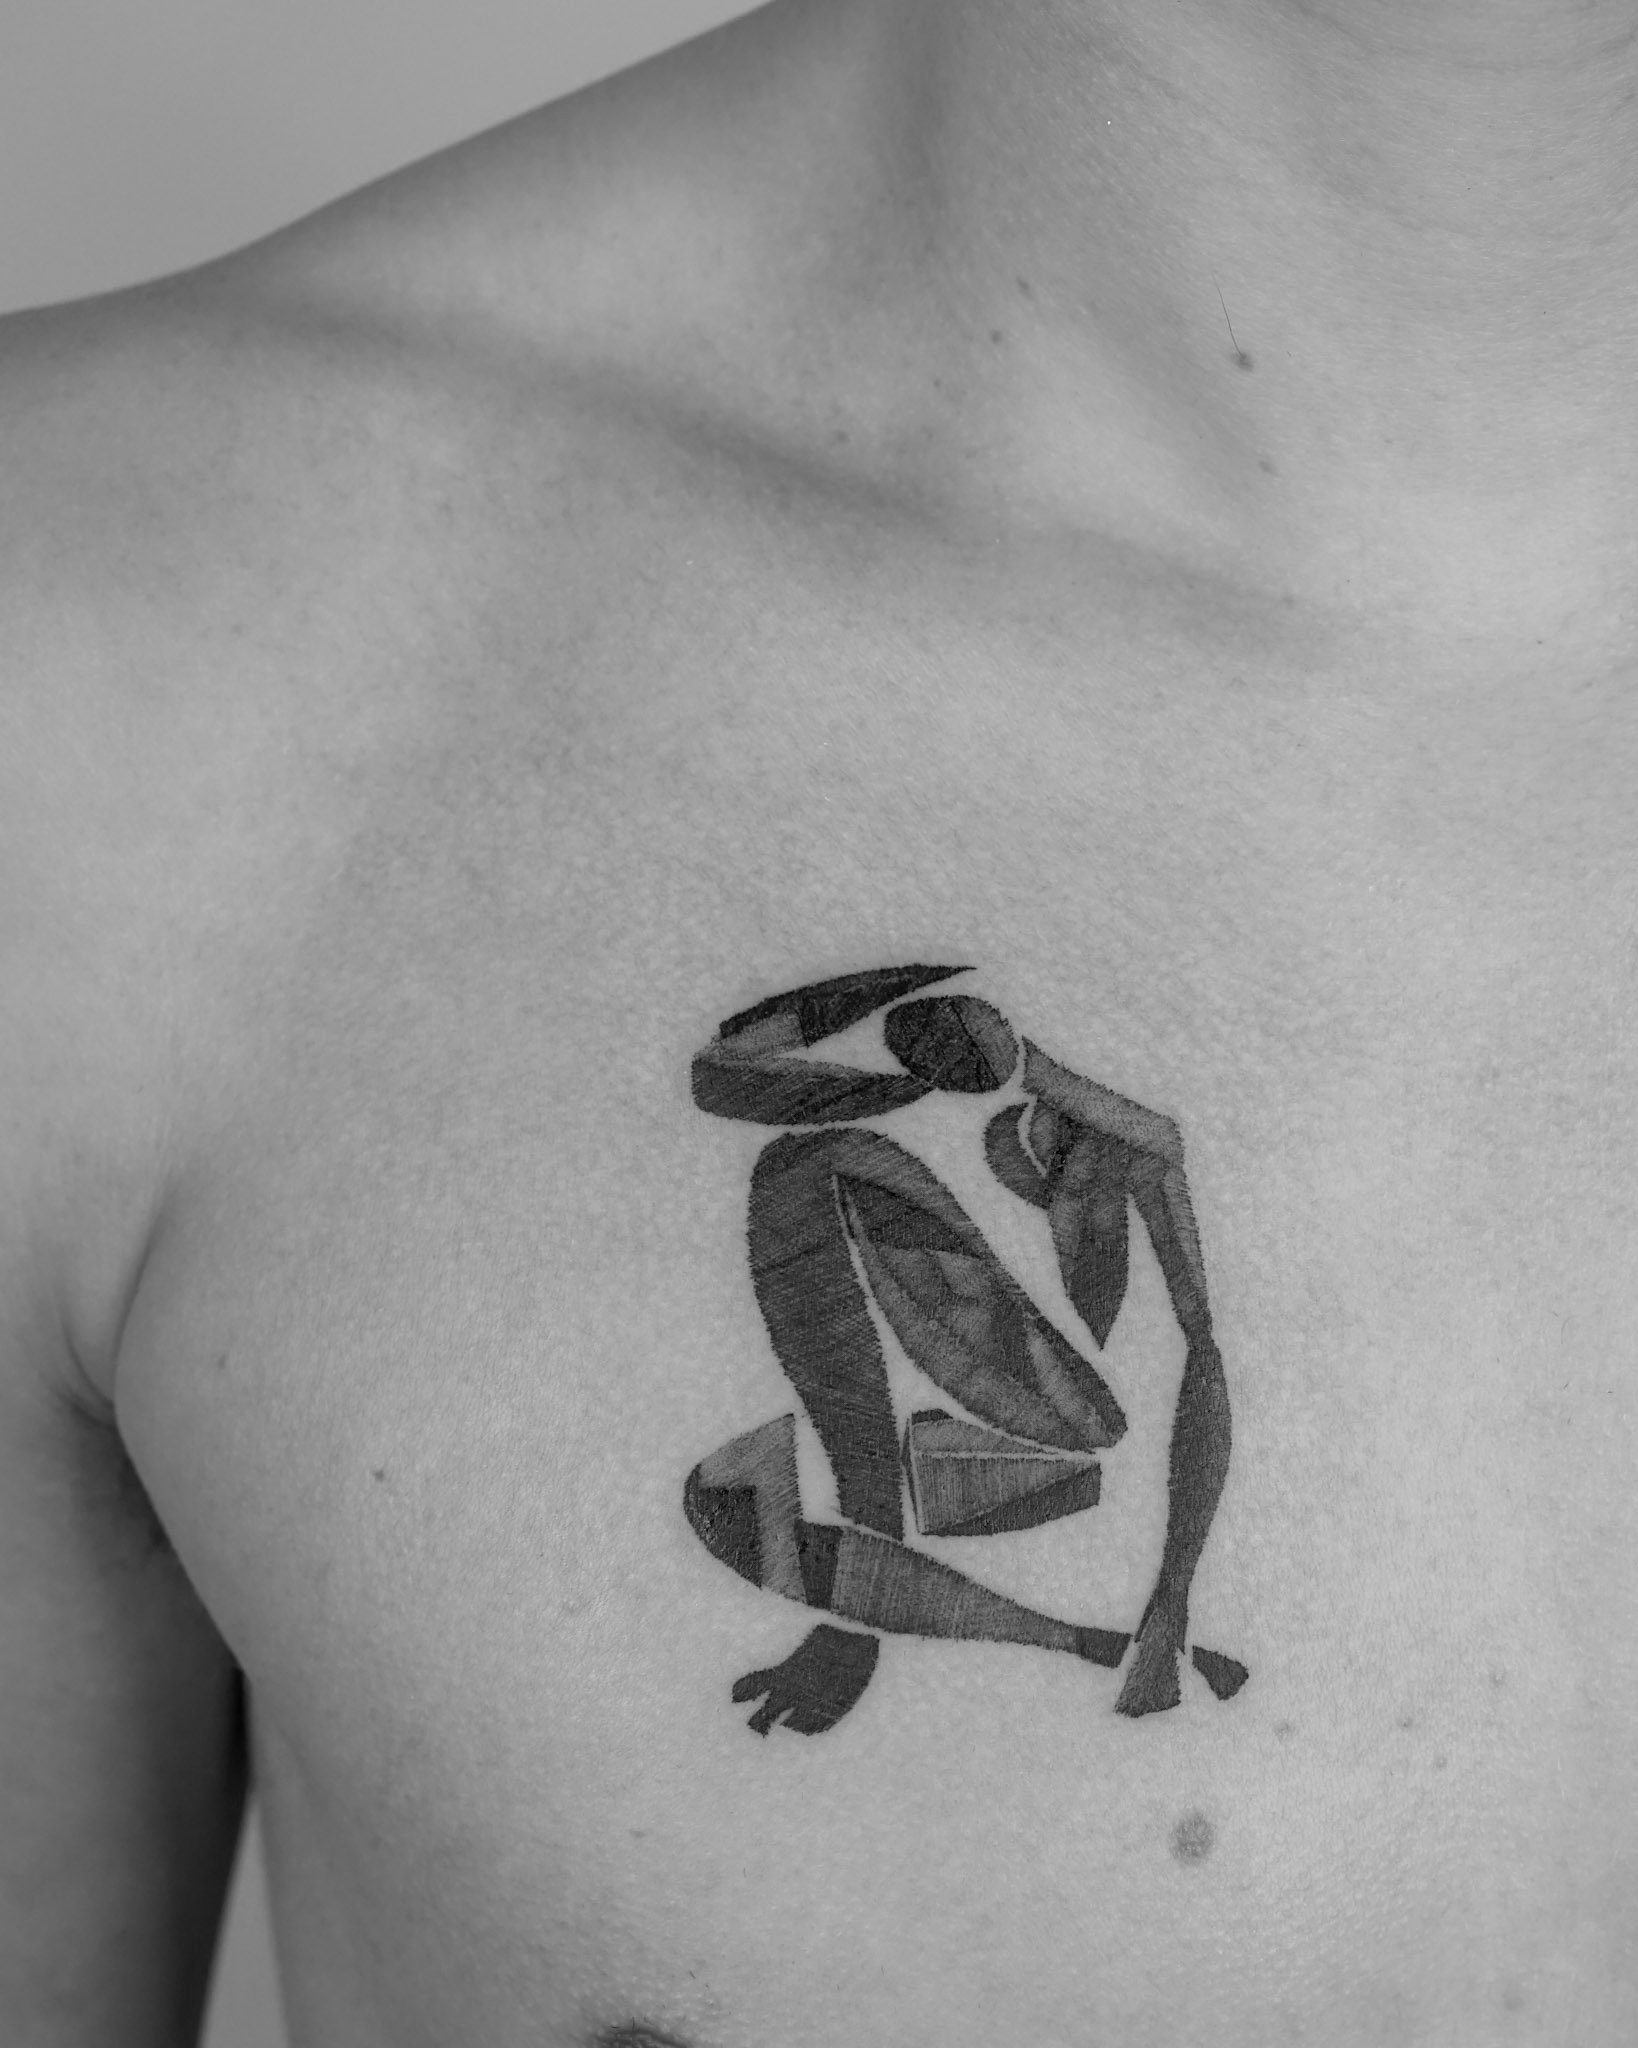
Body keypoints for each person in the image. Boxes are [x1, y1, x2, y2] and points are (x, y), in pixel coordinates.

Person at [2, 2, 1632, 2041]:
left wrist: (1161, 1611)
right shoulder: (103, 668)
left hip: (1053, 1449)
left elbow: (1201, 1367)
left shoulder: (1112, 1143)